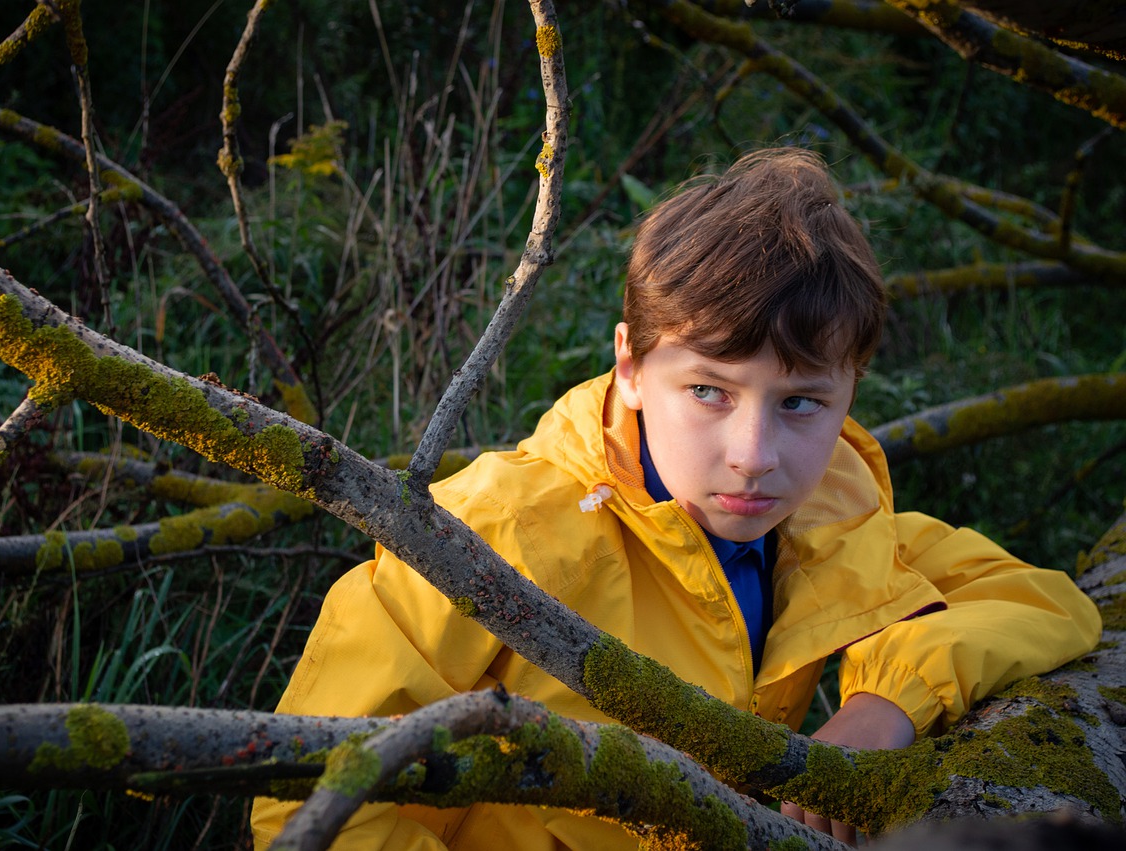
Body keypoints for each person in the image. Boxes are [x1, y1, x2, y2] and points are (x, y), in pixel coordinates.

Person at [250, 148, 1101, 849]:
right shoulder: (496, 530)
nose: (755, 458)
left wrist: (884, 704)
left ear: (852, 388)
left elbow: (1040, 600)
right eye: (708, 391)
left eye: (800, 401)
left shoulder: (837, 523)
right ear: (630, 364)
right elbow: (314, 799)